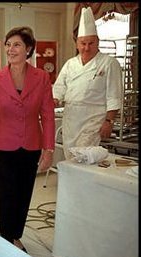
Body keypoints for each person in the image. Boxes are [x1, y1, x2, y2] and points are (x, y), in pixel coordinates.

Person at [0, 26, 55, 252]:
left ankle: (15, 234)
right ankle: (7, 239)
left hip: (31, 146)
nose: (10, 49)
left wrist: (49, 150)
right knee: (8, 193)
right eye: (8, 45)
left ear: (28, 49)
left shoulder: (41, 78)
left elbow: (47, 115)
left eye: (16, 44)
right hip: (2, 148)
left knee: (24, 192)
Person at [53, 7, 122, 159]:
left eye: (91, 43)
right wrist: (55, 99)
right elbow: (59, 87)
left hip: (94, 118)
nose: (86, 48)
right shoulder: (70, 64)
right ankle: (71, 183)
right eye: (83, 43)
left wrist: (109, 121)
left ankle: (82, 183)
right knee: (70, 156)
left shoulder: (109, 63)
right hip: (71, 118)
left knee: (85, 157)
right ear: (77, 43)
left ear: (98, 42)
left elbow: (114, 95)